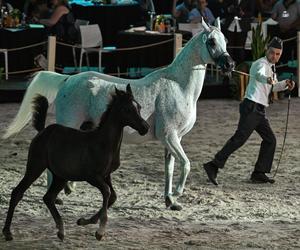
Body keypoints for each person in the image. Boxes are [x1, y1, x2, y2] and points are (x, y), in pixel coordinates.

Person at [203, 37, 295, 184]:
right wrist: (267, 79)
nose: (275, 56)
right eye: (272, 53)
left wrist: (286, 84)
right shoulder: (260, 64)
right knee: (239, 139)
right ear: (267, 51)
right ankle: (213, 165)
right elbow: (259, 75)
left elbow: (274, 86)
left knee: (270, 140)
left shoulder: (271, 68)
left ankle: (259, 173)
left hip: (259, 110)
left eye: (278, 54)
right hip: (251, 106)